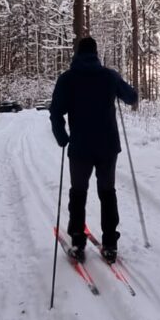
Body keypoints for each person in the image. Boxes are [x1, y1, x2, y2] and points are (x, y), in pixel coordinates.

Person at [50, 36, 138, 264]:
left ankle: (78, 242)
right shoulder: (109, 76)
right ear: (96, 53)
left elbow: (56, 111)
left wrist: (61, 136)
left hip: (80, 147)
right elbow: (131, 97)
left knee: (78, 193)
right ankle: (110, 244)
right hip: (108, 147)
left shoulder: (67, 79)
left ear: (77, 54)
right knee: (107, 192)